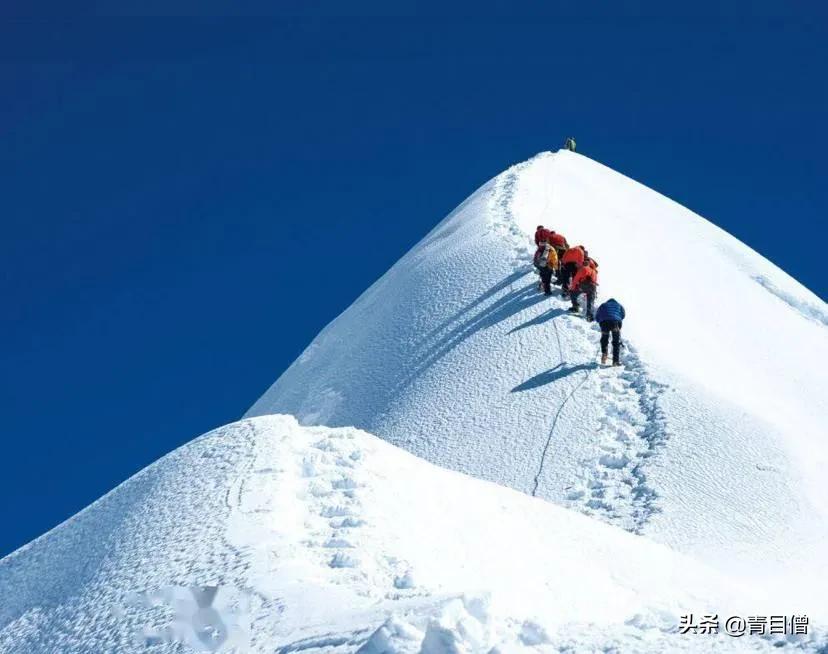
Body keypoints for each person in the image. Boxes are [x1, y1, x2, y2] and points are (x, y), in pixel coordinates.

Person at [595, 298, 625, 366]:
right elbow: (623, 315)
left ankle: (604, 355)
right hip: (615, 323)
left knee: (604, 339)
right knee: (616, 342)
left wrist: (600, 321)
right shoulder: (619, 305)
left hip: (604, 323)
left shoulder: (603, 305)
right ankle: (615, 361)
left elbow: (597, 316)